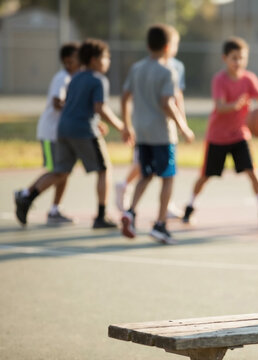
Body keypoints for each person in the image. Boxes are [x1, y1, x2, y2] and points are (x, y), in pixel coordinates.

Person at [15, 38, 127, 229]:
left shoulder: (75, 77)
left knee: (60, 171)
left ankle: (27, 197)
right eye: (105, 57)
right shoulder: (98, 79)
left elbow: (75, 104)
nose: (108, 61)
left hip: (63, 129)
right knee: (104, 169)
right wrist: (122, 126)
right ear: (93, 60)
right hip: (83, 130)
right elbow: (100, 107)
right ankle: (101, 215)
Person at [181, 36, 258, 229]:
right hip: (217, 136)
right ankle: (189, 208)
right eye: (234, 58)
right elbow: (220, 107)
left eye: (242, 58)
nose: (238, 62)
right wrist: (235, 105)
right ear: (224, 59)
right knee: (205, 176)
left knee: (253, 172)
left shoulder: (249, 78)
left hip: (240, 135)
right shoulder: (220, 79)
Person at [120, 24, 194, 244]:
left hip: (142, 132)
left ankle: (130, 212)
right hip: (162, 134)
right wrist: (183, 127)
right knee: (168, 178)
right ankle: (160, 224)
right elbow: (167, 103)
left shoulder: (137, 68)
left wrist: (126, 125)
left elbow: (125, 97)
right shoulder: (168, 71)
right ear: (168, 47)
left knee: (146, 174)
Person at [14, 43, 80, 226]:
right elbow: (57, 102)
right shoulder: (63, 78)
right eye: (77, 58)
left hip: (62, 134)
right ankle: (25, 195)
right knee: (57, 171)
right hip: (51, 133)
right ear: (68, 61)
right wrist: (78, 111)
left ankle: (54, 210)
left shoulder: (73, 78)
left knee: (64, 171)